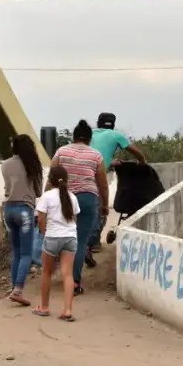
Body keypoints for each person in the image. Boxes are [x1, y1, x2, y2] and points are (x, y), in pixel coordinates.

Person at [50, 120, 109, 296]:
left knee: (62, 236)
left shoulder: (61, 152)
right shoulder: (96, 155)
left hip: (63, 199)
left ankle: (59, 273)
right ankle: (74, 282)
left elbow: (51, 179)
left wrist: (45, 201)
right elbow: (103, 184)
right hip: (87, 200)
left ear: (73, 137)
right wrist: (105, 205)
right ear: (89, 139)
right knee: (80, 241)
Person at [88, 112, 147, 254]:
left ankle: (80, 242)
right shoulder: (116, 135)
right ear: (113, 124)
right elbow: (134, 151)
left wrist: (110, 162)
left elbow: (96, 154)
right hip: (97, 176)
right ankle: (94, 243)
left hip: (79, 173)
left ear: (98, 122)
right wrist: (143, 161)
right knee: (101, 209)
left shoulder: (89, 134)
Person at [33, 165, 81, 321]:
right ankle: (67, 310)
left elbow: (41, 219)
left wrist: (44, 233)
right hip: (70, 238)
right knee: (68, 274)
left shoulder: (46, 196)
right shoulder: (72, 197)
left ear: (50, 180)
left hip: (52, 237)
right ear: (66, 180)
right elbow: (75, 219)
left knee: (47, 272)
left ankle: (44, 307)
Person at [1, 134, 43, 306]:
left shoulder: (5, 164)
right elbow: (38, 192)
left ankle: (14, 288)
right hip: (25, 210)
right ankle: (18, 290)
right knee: (26, 253)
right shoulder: (32, 164)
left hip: (8, 210)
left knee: (16, 252)